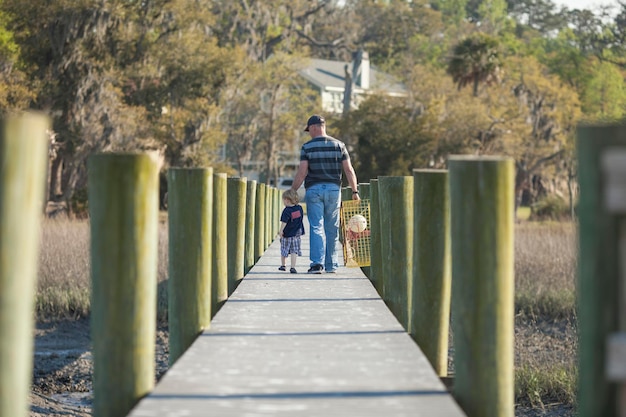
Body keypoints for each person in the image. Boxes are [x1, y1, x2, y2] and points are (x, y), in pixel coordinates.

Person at [291, 114, 360, 274]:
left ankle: (316, 264)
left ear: (315, 127)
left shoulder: (307, 147)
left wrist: (293, 190)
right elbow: (349, 170)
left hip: (314, 190)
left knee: (316, 226)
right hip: (333, 190)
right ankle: (331, 265)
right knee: (332, 228)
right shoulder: (339, 145)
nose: (309, 133)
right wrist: (354, 191)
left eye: (309, 130)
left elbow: (302, 172)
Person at [278, 189, 304, 274]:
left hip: (287, 234)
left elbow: (284, 222)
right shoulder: (299, 208)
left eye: (283, 200)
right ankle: (293, 267)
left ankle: (283, 265)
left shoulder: (286, 210)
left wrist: (281, 231)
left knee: (284, 249)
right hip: (297, 234)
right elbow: (299, 220)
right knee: (294, 251)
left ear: (287, 200)